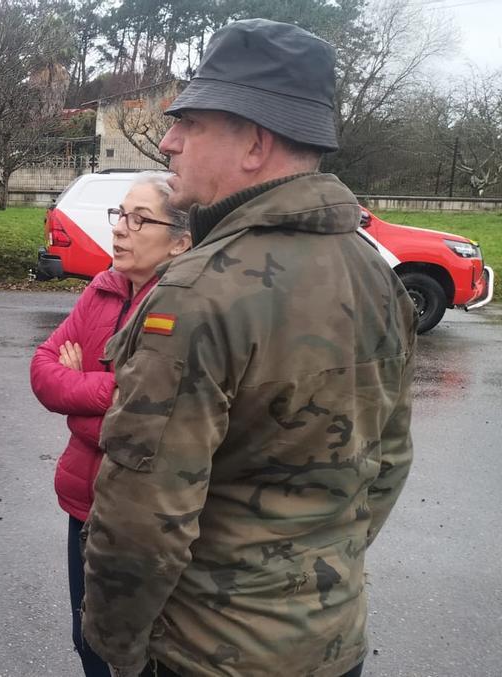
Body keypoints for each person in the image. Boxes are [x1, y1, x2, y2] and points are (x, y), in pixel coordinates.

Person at [80, 19, 416, 677]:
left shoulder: (198, 291)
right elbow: (390, 459)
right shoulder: (376, 271)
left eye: (191, 123)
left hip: (206, 654)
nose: (169, 141)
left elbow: (142, 516)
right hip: (333, 643)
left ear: (256, 144)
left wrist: (117, 652)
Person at [30, 172, 191, 677]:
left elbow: (150, 425)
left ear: (181, 242)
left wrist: (81, 394)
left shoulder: (182, 308)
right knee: (87, 639)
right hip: (84, 501)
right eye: (120, 214)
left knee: (138, 651)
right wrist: (109, 392)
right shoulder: (102, 289)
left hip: (140, 513)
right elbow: (42, 369)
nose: (120, 229)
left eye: (139, 219)